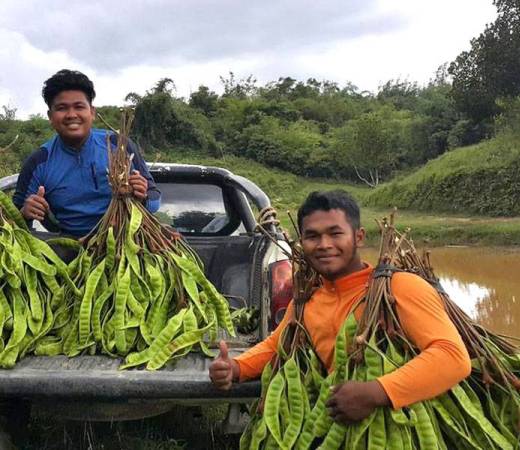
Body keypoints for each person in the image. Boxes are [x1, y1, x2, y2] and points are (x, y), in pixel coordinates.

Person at [209, 190, 471, 424]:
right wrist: (236, 367)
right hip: (343, 424)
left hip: (404, 423)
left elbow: (452, 357)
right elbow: (277, 345)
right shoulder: (307, 302)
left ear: (358, 237)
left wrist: (376, 392)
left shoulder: (400, 288)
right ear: (302, 243)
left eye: (335, 233)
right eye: (312, 236)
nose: (324, 245)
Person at [12, 69, 160, 238]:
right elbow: (14, 221)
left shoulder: (119, 146)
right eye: (61, 108)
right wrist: (25, 212)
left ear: (92, 112)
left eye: (79, 106)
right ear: (50, 116)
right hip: (70, 250)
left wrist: (143, 195)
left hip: (125, 243)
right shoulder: (38, 161)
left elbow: (155, 200)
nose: (71, 115)